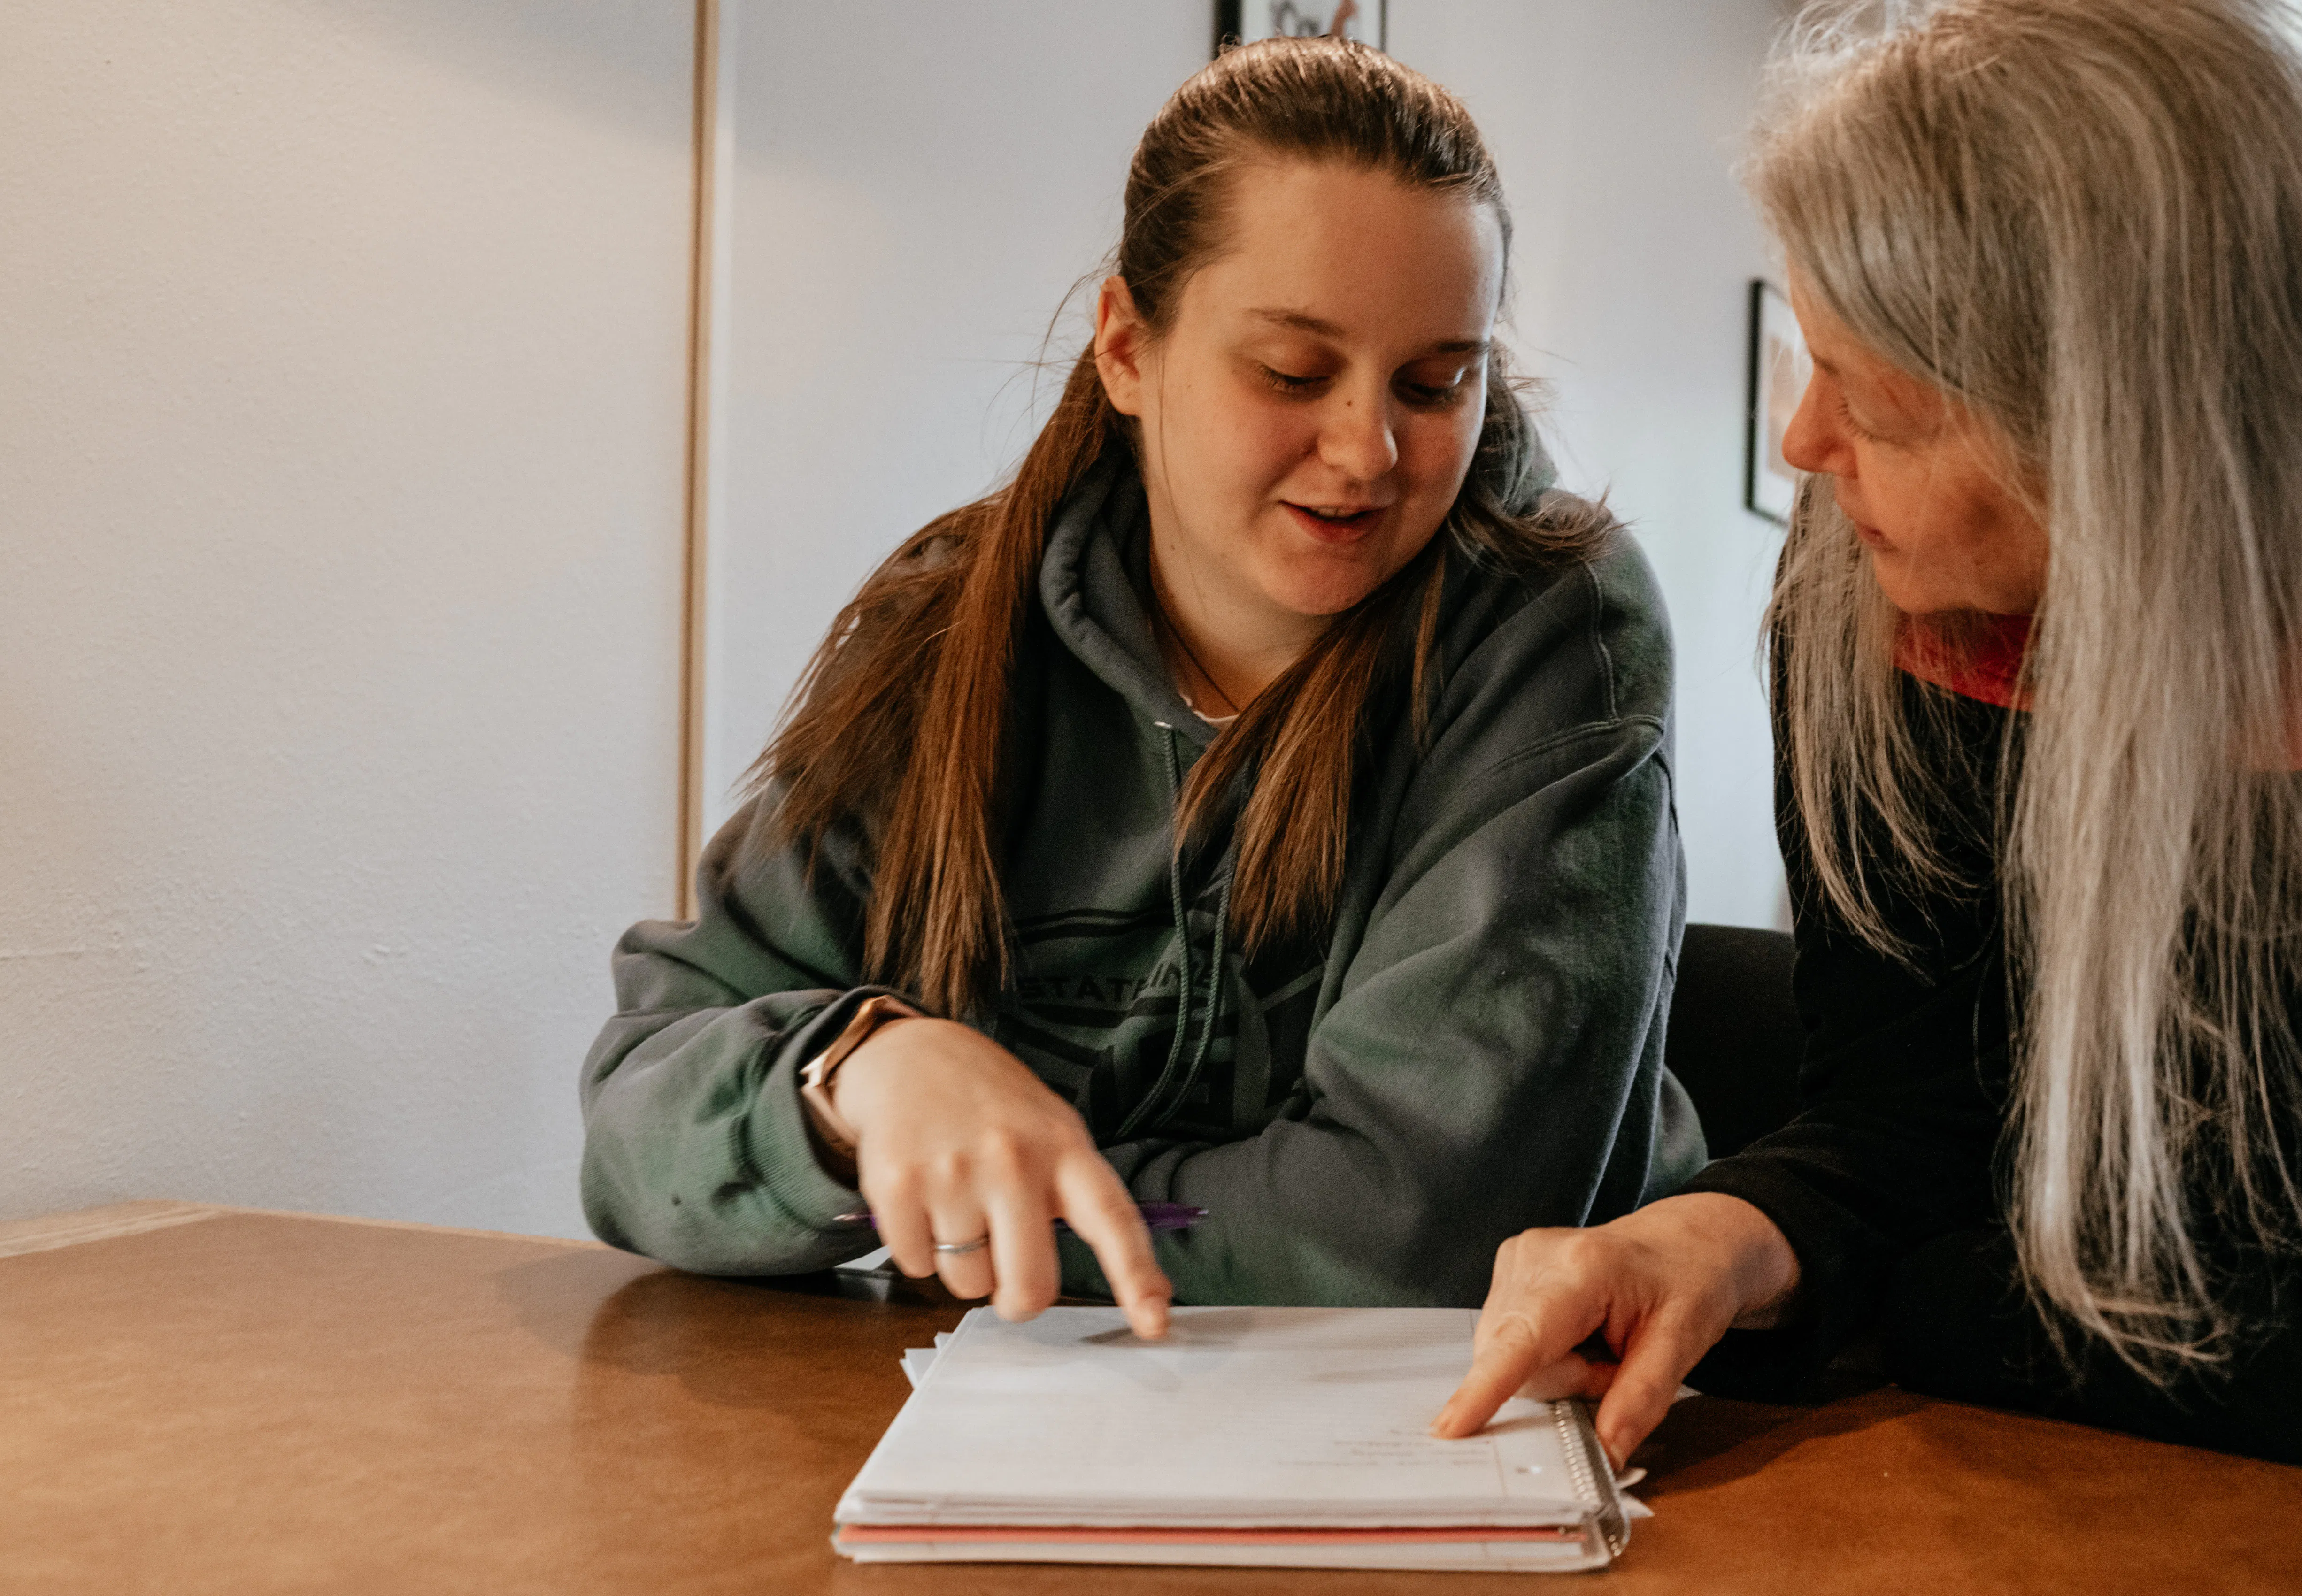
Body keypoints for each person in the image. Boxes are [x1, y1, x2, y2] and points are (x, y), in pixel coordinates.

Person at [1436, 0, 2302, 1489]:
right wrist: (1731, 1238)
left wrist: (1911, 1300)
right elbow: (1909, 1113)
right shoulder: (1876, 563)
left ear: (2138, 438)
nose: (1806, 445)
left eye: (1882, 401)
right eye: (1818, 362)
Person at [579, 37, 1703, 1335]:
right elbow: (633, 1125)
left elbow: (1415, 1241)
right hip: (996, 1433)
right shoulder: (947, 624)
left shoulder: (1562, 626)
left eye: (1437, 383)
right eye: (1291, 372)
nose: (1366, 451)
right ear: (1126, 347)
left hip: (1433, 1441)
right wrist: (858, 1082)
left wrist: (984, 1211)